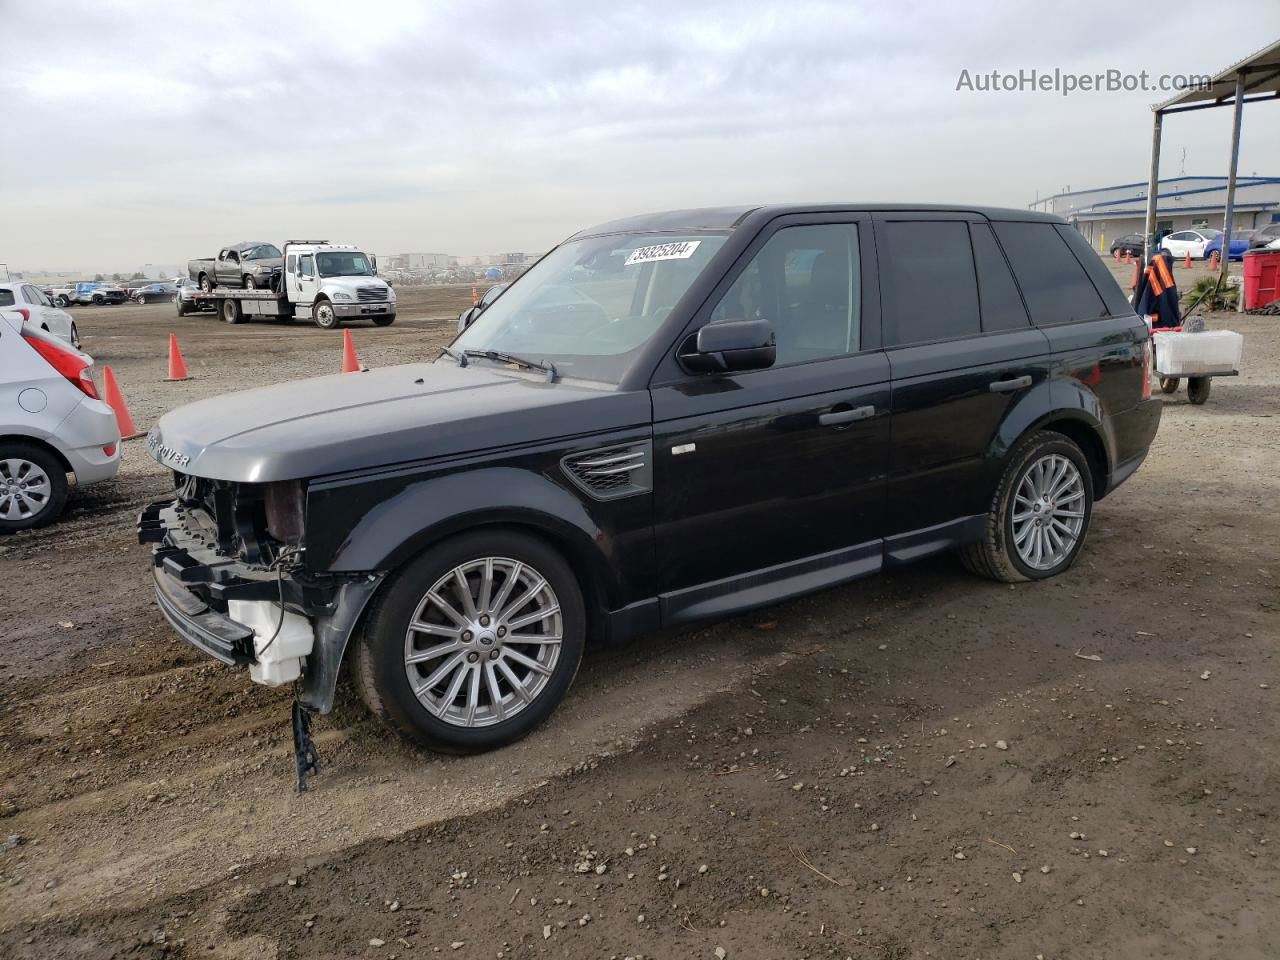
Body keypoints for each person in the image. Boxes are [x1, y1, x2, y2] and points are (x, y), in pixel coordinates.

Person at [1133, 248, 1180, 329]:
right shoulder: (1163, 276)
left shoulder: (1148, 275)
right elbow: (1167, 304)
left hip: (1143, 320)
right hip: (1159, 326)